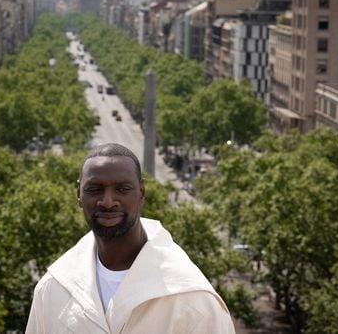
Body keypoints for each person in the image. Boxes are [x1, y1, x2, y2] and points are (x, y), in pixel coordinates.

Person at [26, 143, 235, 333]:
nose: (108, 202)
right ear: (79, 195)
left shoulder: (194, 301)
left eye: (122, 189)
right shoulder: (52, 289)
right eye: (94, 189)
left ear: (141, 193)